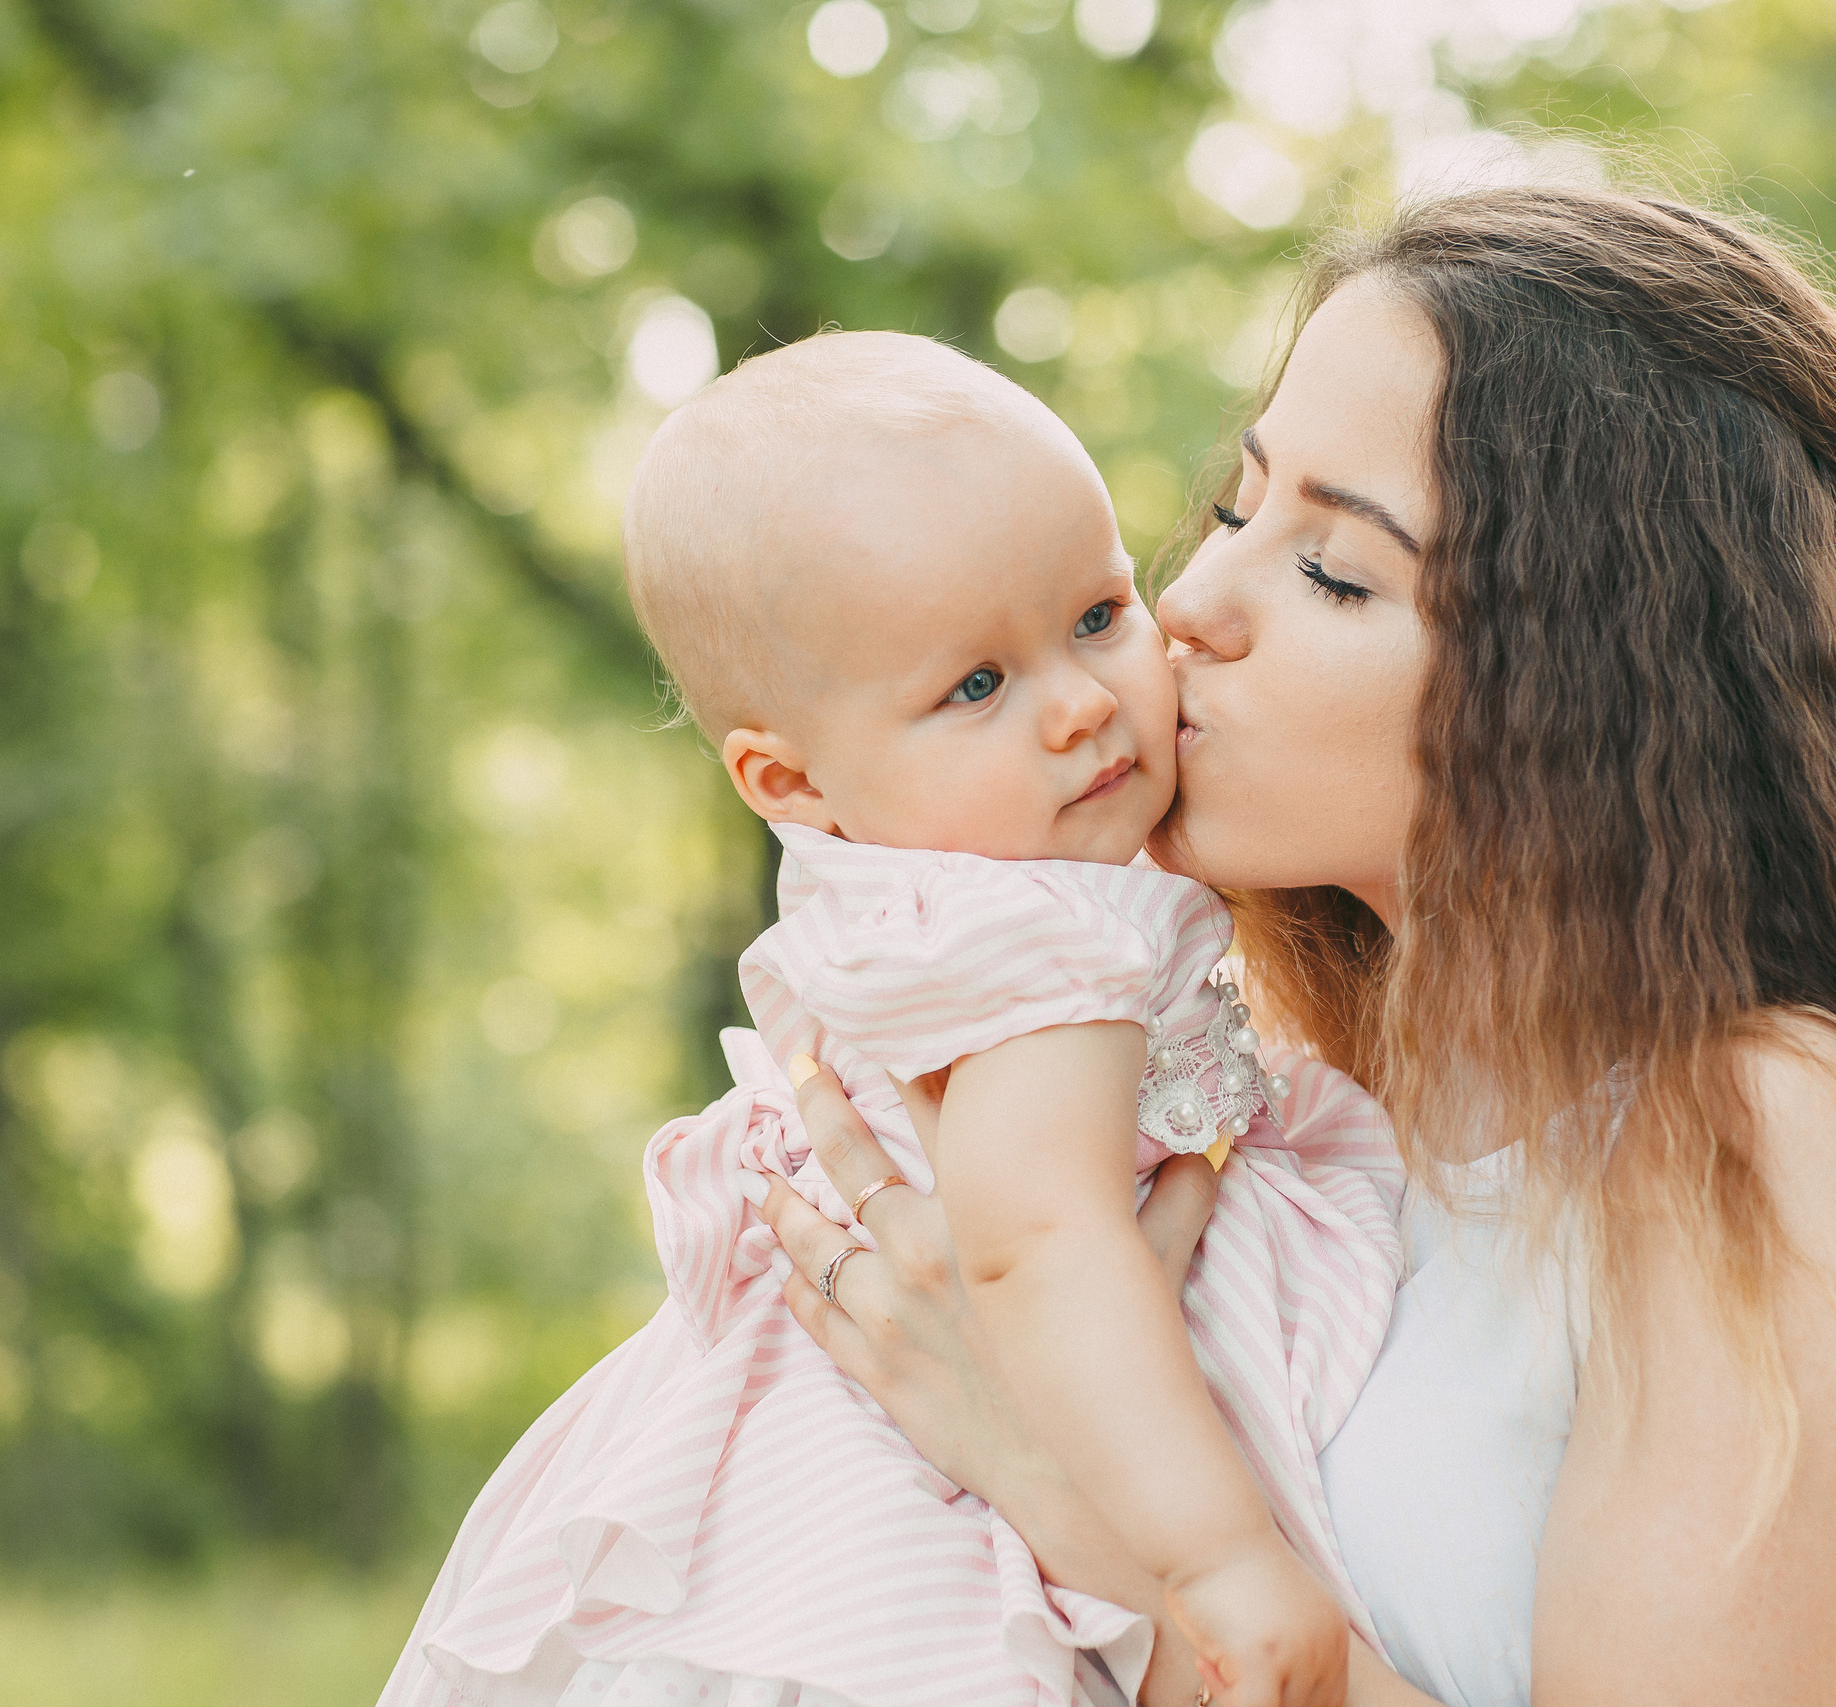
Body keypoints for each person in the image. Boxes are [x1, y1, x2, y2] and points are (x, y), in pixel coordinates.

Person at [753, 187, 1836, 1706]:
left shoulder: (1760, 1132)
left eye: (1333, 573)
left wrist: (1056, 1491)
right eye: (1242, 510)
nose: (1186, 606)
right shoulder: (1299, 1111)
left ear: (1594, 696)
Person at [379, 331, 1408, 1707]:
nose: (1083, 705)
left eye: (1098, 615)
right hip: (909, 1534)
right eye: (975, 687)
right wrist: (1222, 1561)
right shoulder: (1034, 941)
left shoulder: (939, 898)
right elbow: (1039, 1249)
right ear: (792, 782)